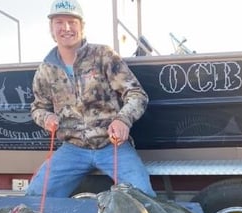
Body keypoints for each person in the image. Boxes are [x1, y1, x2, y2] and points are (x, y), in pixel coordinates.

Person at [26, 0, 155, 198]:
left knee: (144, 197)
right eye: (59, 22)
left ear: (82, 26)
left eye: (72, 22)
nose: (66, 28)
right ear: (51, 28)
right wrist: (46, 118)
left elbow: (136, 94)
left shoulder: (103, 55)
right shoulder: (45, 70)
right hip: (72, 149)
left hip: (111, 146)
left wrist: (123, 120)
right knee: (36, 195)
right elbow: (37, 108)